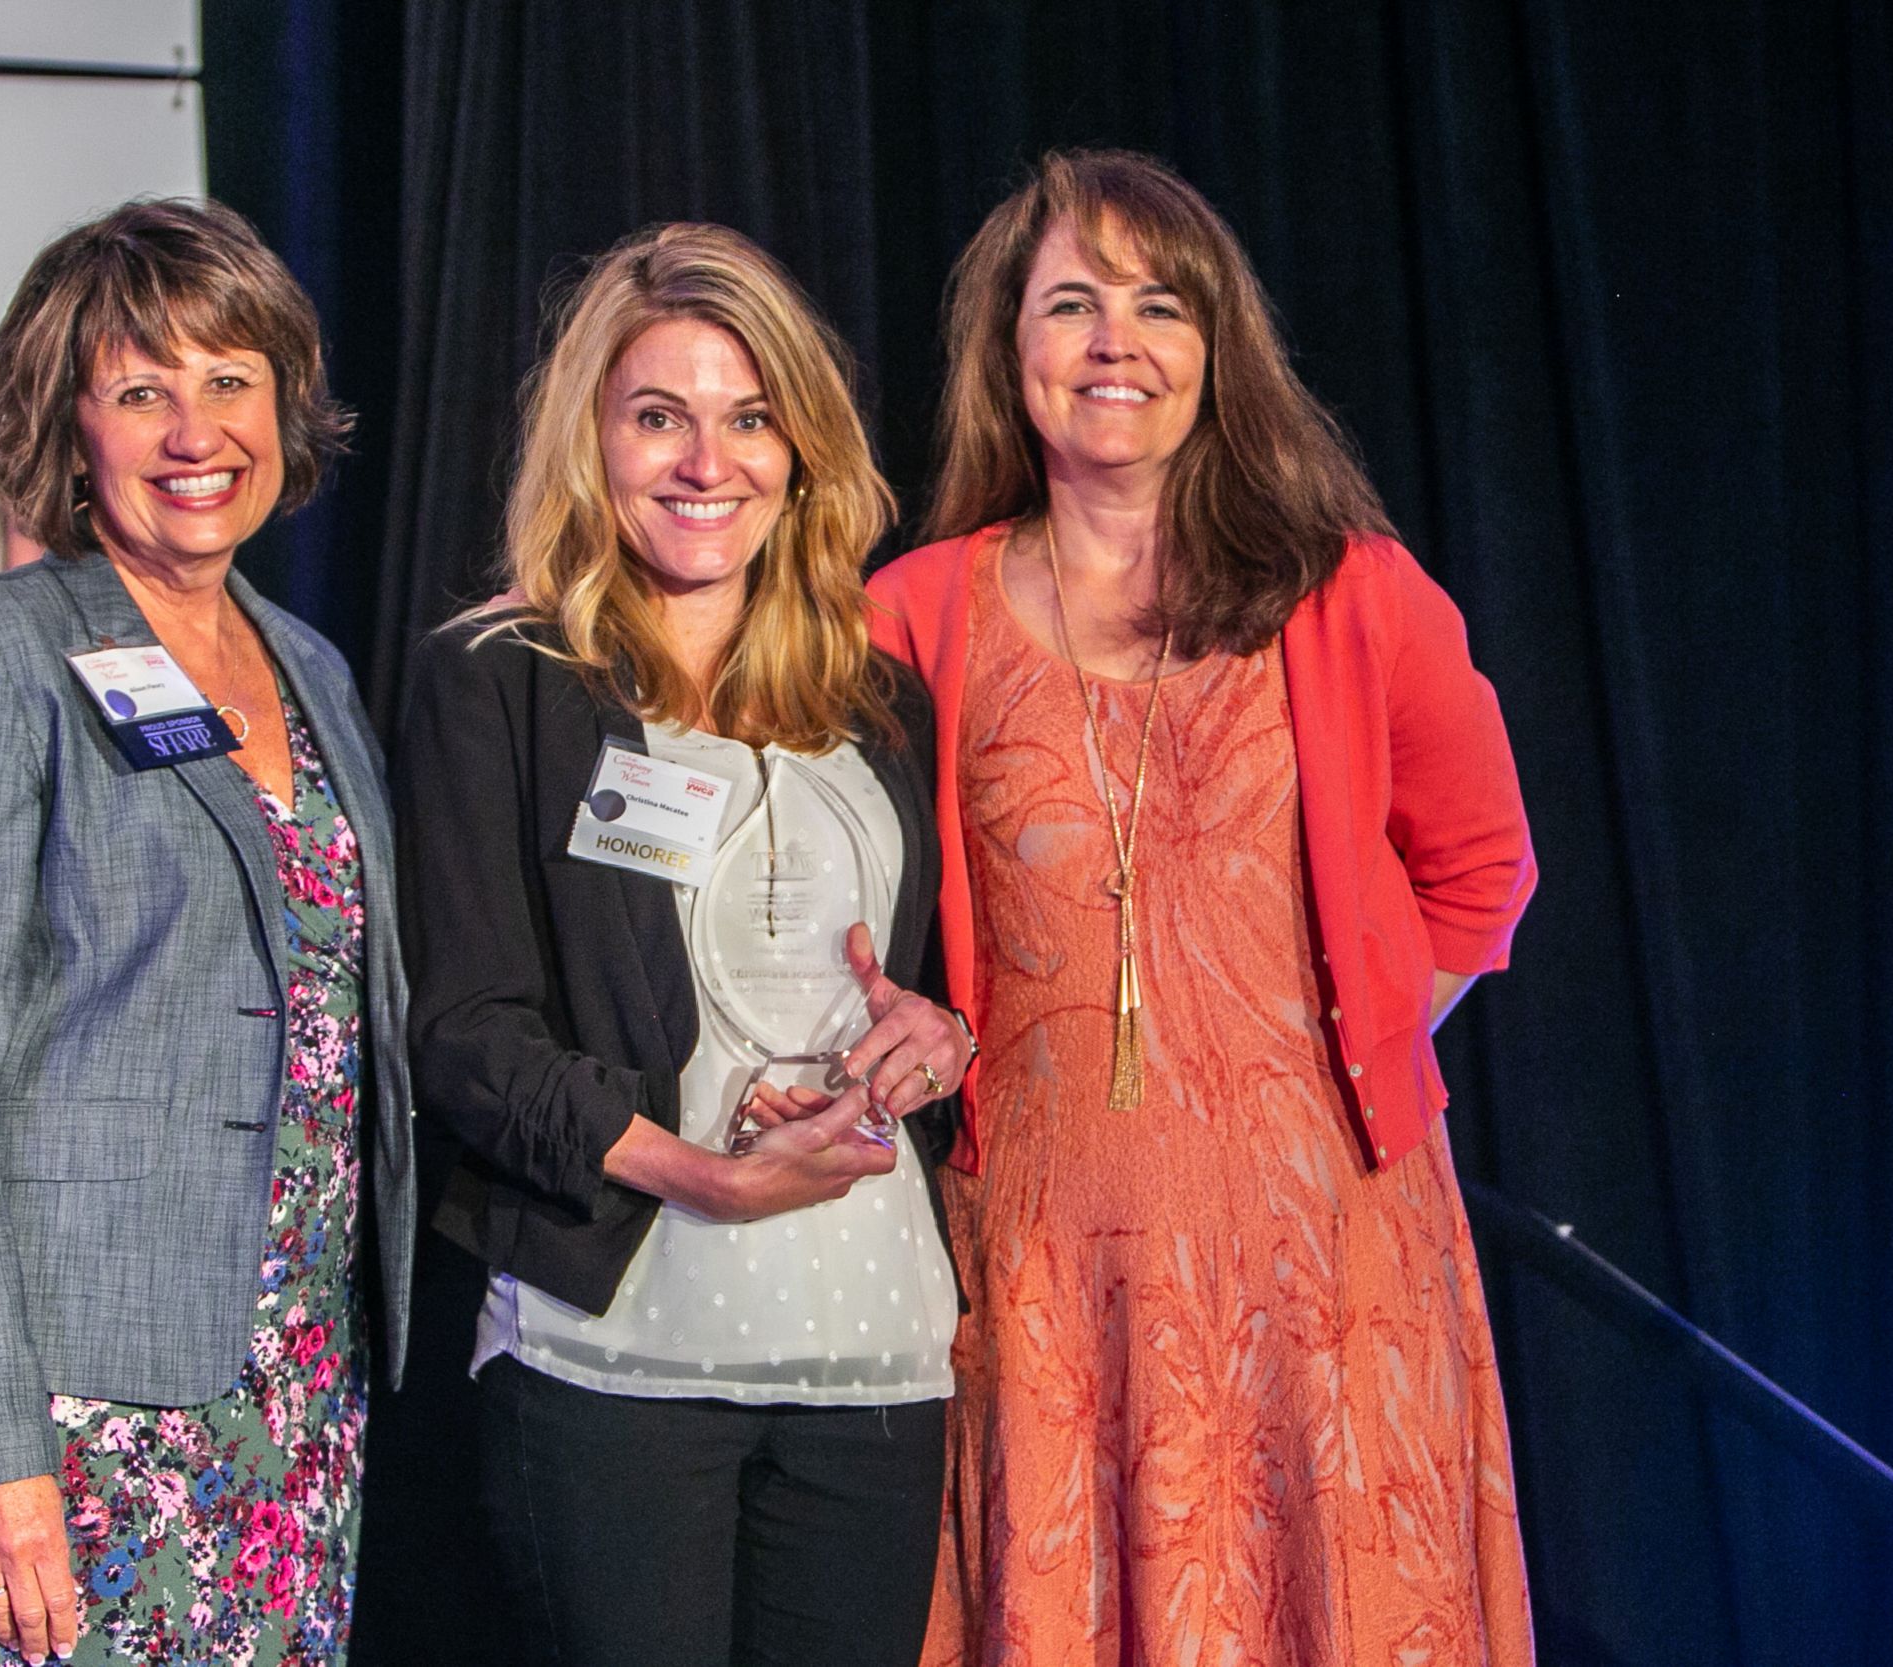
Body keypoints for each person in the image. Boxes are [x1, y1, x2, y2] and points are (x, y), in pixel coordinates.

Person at [868, 150, 1539, 1663]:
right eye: (1074, 303)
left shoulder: (1353, 592)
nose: (1118, 341)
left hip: (1330, 1263)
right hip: (1044, 1268)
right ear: (1007, 344)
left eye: (1161, 305)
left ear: (1218, 348)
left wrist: (1332, 1046)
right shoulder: (910, 611)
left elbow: (1481, 864)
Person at [401, 222, 974, 1667]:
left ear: (801, 450)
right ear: (592, 441)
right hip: (620, 1345)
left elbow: (934, 988)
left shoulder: (877, 694)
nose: (707, 461)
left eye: (748, 416)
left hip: (871, 1345)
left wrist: (934, 1038)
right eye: (658, 416)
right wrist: (702, 1168)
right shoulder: (502, 682)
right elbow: (467, 1031)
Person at [0, 198, 414, 1667]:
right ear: (70, 424)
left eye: (230, 378)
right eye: (142, 388)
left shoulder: (313, 670)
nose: (196, 427)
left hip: (295, 1398)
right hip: (71, 1417)